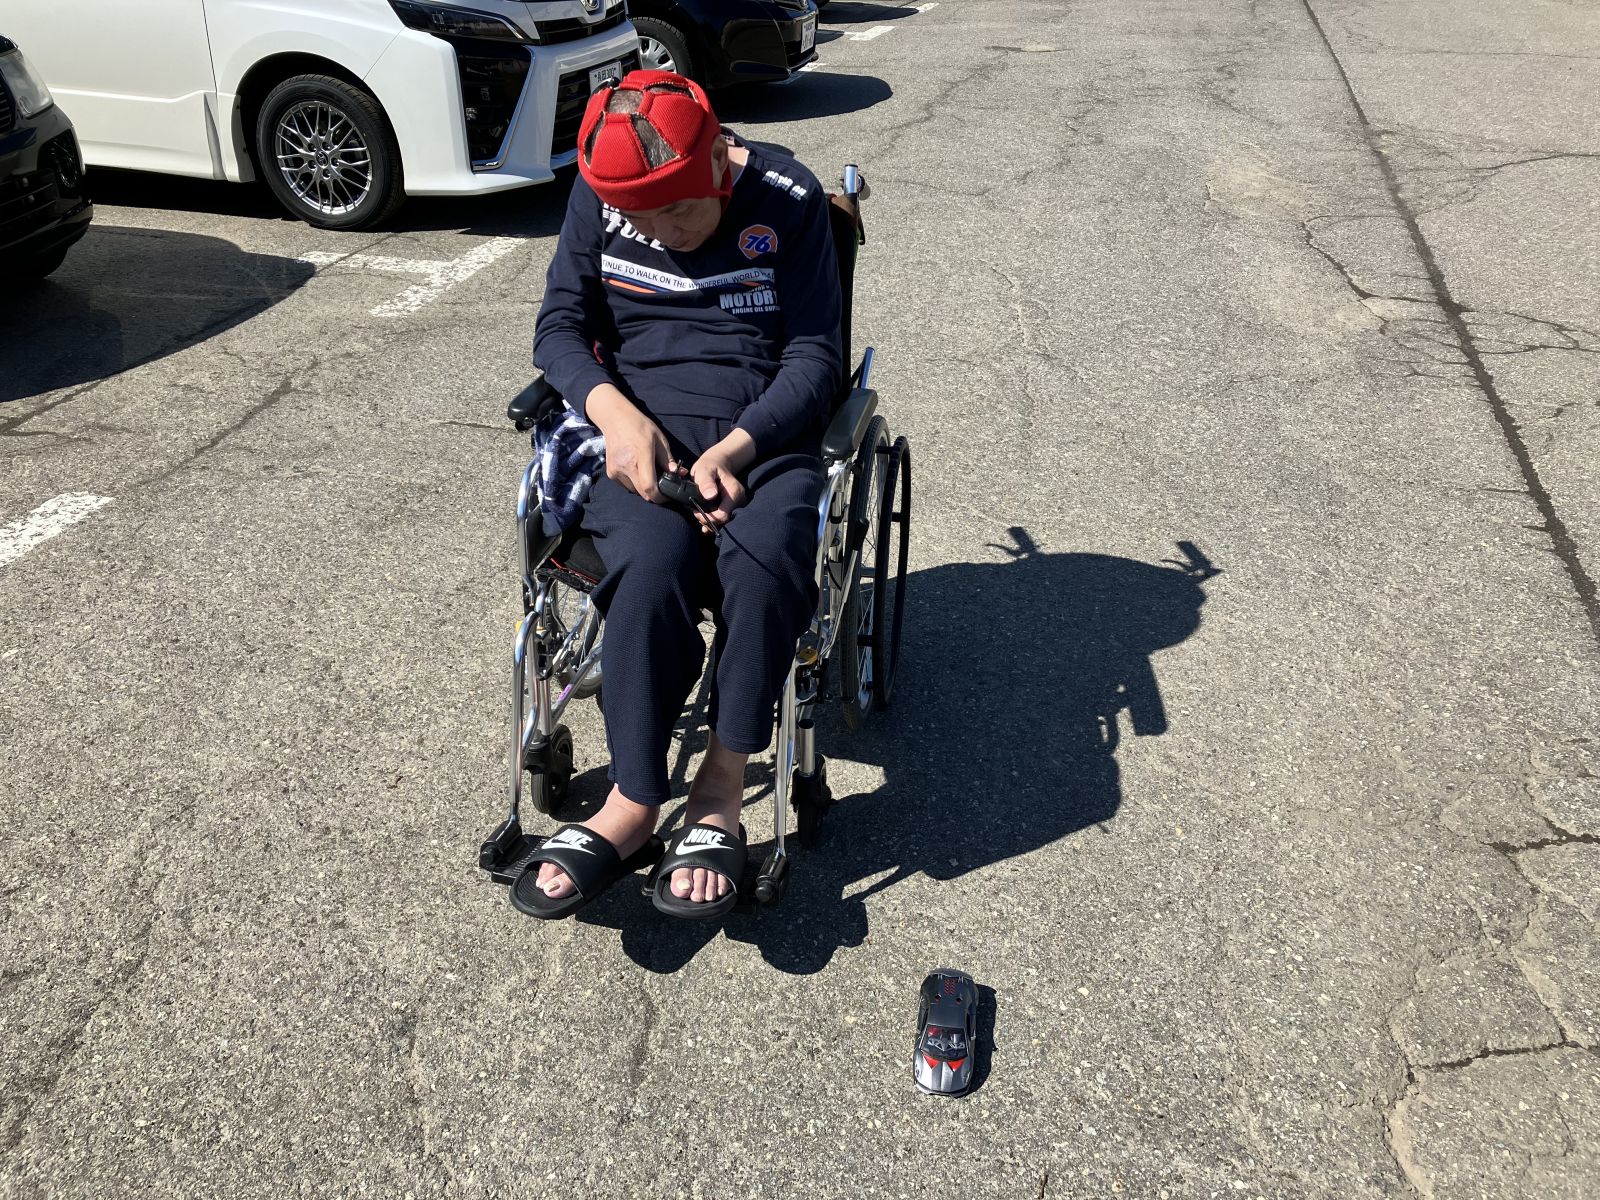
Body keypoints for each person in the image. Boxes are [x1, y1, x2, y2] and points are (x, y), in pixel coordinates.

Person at [517, 70, 842, 920]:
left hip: (760, 434)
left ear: (720, 166)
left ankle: (721, 786)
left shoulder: (789, 197)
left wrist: (739, 445)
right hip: (638, 441)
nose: (663, 234)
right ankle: (633, 796)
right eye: (643, 219)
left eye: (680, 212)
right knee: (654, 558)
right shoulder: (597, 194)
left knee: (765, 557)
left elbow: (816, 358)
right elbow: (558, 329)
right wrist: (615, 417)